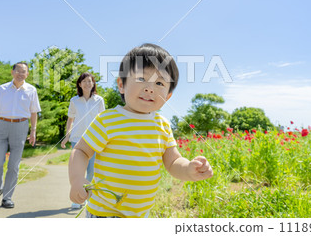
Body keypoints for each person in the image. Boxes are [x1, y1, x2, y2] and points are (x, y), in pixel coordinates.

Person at [69, 43, 214, 218]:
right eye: (140, 79)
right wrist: (76, 178)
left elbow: (173, 162)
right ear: (121, 85)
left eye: (159, 82)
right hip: (104, 214)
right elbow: (81, 150)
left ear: (168, 96)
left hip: (140, 216)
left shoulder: (162, 126)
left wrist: (189, 169)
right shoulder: (107, 120)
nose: (149, 87)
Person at [0, 62, 40, 209]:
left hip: (21, 126)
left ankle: (7, 197)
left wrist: (33, 131)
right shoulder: (2, 89)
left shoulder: (31, 90)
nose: (21, 74)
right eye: (18, 71)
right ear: (12, 72)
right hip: (1, 125)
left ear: (27, 74)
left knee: (14, 165)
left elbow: (34, 112)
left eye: (24, 72)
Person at [61, 72, 105, 209]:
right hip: (77, 139)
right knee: (78, 171)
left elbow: (102, 120)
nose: (87, 84)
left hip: (94, 140)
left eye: (90, 81)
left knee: (92, 171)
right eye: (84, 81)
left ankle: (88, 197)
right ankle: (77, 198)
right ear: (79, 84)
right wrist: (67, 135)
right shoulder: (74, 101)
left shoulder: (99, 100)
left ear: (93, 84)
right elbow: (70, 119)